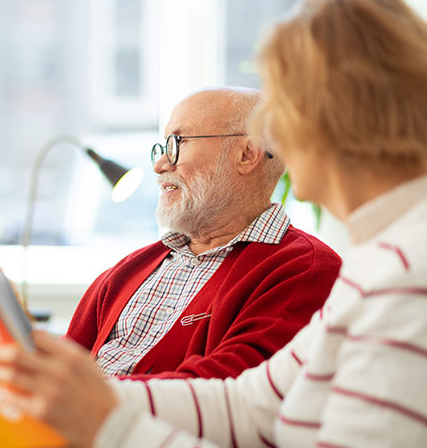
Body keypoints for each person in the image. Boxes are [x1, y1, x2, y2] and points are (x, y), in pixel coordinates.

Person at [0, 0, 427, 448]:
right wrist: (85, 395)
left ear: (334, 116)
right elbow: (251, 405)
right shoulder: (380, 258)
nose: (274, 134)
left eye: (282, 108)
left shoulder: (408, 274)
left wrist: (111, 425)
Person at [69, 86, 340, 381]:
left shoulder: (307, 270)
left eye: (178, 142)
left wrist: (92, 395)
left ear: (247, 155)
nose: (160, 165)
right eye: (162, 147)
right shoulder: (127, 271)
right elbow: (61, 366)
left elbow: (230, 388)